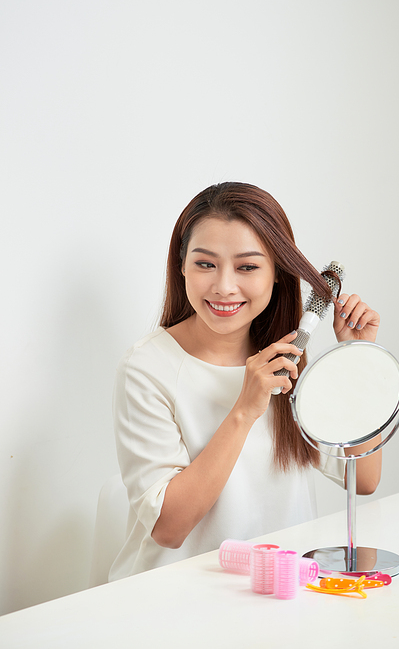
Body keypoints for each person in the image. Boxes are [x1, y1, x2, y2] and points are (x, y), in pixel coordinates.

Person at [110, 182, 381, 581]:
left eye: (247, 267)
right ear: (182, 265)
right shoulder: (147, 367)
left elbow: (364, 479)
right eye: (205, 264)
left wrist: (357, 360)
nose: (223, 286)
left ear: (276, 275)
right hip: (175, 599)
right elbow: (168, 529)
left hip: (280, 592)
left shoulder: (286, 360)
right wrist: (244, 409)